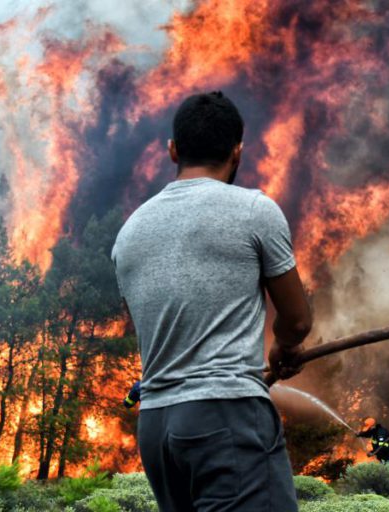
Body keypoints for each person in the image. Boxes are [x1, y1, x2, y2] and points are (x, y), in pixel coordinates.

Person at [111, 91, 312, 512]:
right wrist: (284, 349)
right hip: (225, 417)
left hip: (157, 427)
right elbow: (296, 321)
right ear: (237, 152)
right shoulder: (255, 210)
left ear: (173, 150)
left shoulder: (128, 234)